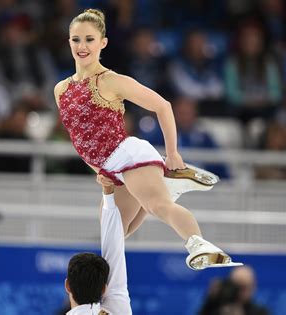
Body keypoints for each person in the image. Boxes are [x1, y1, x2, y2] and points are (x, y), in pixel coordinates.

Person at [54, 9, 241, 270]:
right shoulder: (61, 89)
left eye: (89, 39)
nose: (82, 46)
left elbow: (163, 106)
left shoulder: (111, 80)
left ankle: (199, 244)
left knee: (157, 206)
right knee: (113, 239)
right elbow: (80, 138)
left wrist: (173, 154)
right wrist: (100, 173)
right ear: (69, 41)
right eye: (76, 39)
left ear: (103, 43)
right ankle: (168, 186)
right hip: (111, 170)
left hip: (129, 156)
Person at [64, 178, 132, 314]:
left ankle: (163, 193)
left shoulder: (118, 310)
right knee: (123, 230)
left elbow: (114, 245)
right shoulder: (114, 308)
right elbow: (113, 246)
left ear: (68, 286)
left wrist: (108, 194)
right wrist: (108, 193)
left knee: (124, 230)